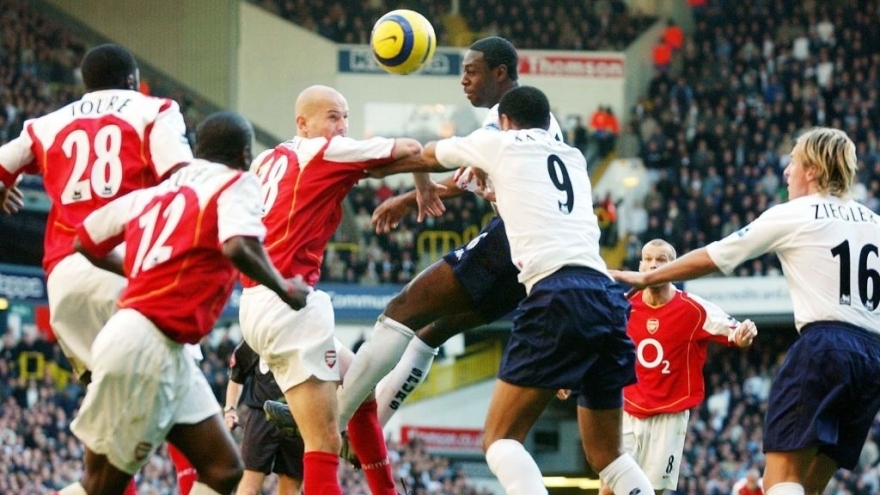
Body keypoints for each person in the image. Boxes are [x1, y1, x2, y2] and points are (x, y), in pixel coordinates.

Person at [263, 36, 566, 433]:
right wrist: (415, 195)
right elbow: (470, 176)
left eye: (471, 72)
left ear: (500, 73)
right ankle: (371, 427)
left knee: (402, 310)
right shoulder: (537, 118)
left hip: (514, 237)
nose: (464, 81)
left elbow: (436, 158)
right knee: (432, 329)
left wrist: (404, 187)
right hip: (542, 250)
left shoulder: (504, 118)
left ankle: (335, 418)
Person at [401, 85, 655, 494]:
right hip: (605, 298)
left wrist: (367, 164)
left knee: (500, 440)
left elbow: (426, 154)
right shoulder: (572, 157)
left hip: (558, 295)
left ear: (504, 121)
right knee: (608, 456)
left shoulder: (499, 143)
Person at [610, 127, 880, 495]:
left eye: (793, 163)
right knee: (809, 485)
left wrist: (646, 277)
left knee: (780, 482)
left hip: (825, 347)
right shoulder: (873, 221)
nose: (786, 172)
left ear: (813, 170)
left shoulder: (795, 213)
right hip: (871, 359)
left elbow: (714, 256)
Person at [58, 111, 311, 495]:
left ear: (198, 150)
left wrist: (140, 270)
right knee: (102, 486)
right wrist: (284, 287)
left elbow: (85, 240)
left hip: (158, 346)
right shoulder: (236, 183)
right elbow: (237, 245)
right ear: (245, 155)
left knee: (224, 471)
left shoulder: (159, 190)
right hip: (147, 347)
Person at [0, 44, 198, 495]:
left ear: (84, 85)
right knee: (183, 395)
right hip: (128, 266)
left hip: (66, 279)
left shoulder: (46, 124)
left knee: (106, 408)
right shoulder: (155, 109)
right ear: (133, 79)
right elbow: (183, 182)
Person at [237, 84, 423, 495]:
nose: (342, 127)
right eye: (333, 117)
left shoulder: (269, 159)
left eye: (346, 116)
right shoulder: (324, 152)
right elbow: (410, 147)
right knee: (323, 442)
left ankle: (387, 490)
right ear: (303, 123)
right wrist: (421, 182)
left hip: (258, 303)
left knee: (358, 385)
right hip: (291, 303)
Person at [596, 238, 757, 495]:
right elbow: (593, 343)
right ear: (639, 264)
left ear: (675, 267)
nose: (653, 265)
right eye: (648, 259)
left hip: (668, 416)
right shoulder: (621, 306)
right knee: (609, 487)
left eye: (661, 260)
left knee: (653, 490)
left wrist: (743, 335)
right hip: (626, 408)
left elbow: (736, 332)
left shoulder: (693, 309)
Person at [225, 340, 304, 495]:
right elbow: (236, 374)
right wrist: (230, 409)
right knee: (249, 485)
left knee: (291, 488)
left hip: (297, 416)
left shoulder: (309, 332)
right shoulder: (258, 333)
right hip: (263, 416)